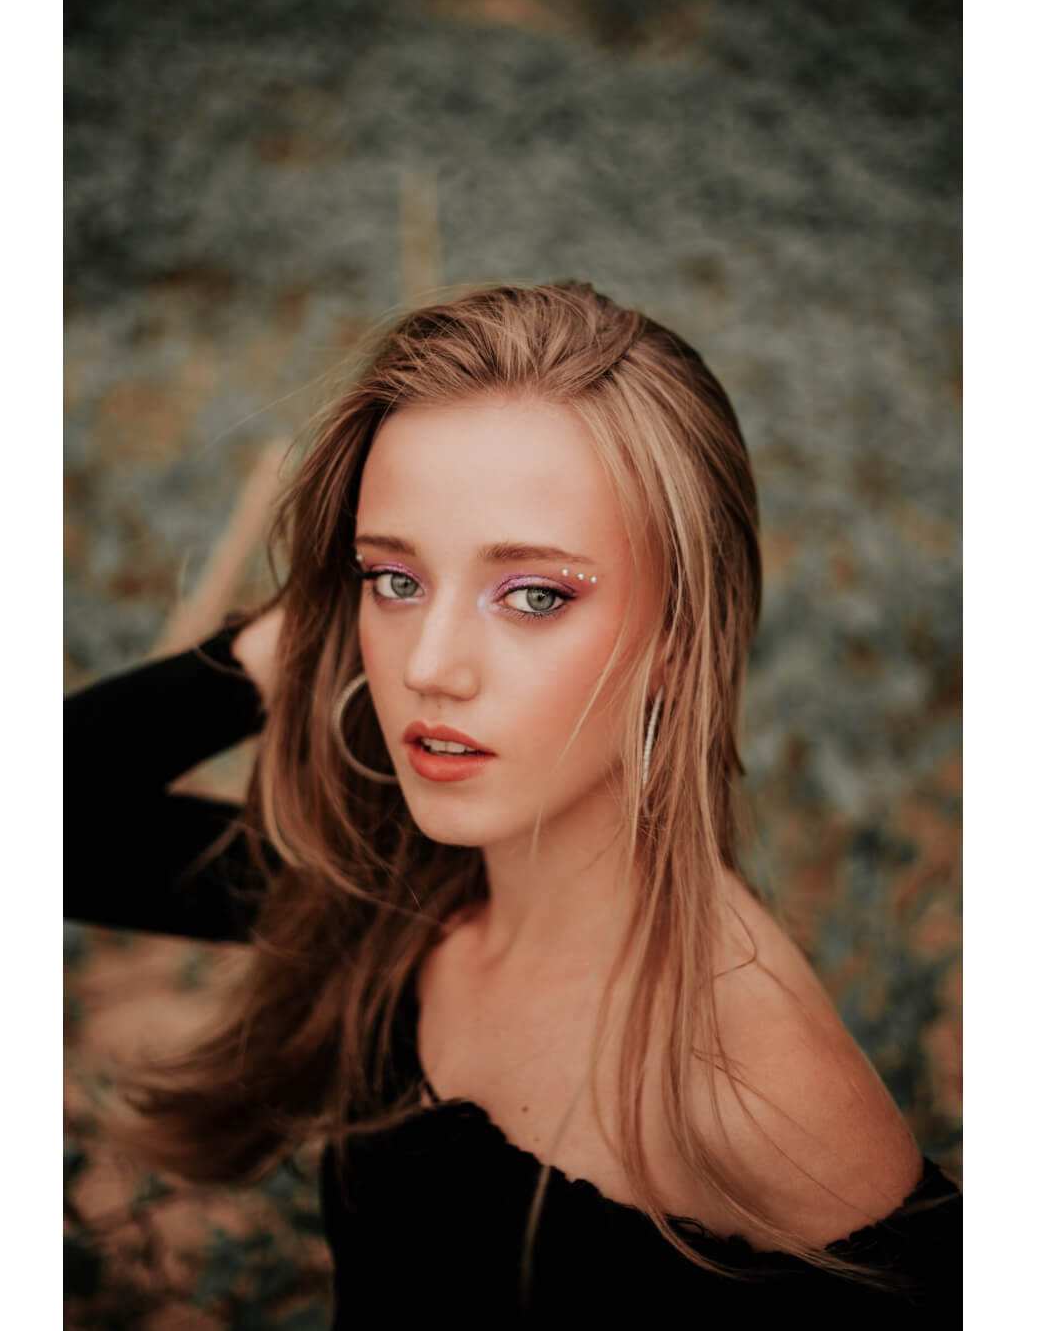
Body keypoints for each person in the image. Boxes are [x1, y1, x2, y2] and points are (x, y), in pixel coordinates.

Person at [65, 281, 960, 1327]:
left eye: (534, 594)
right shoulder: (394, 898)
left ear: (679, 634)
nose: (431, 667)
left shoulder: (747, 1088)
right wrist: (298, 634)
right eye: (392, 580)